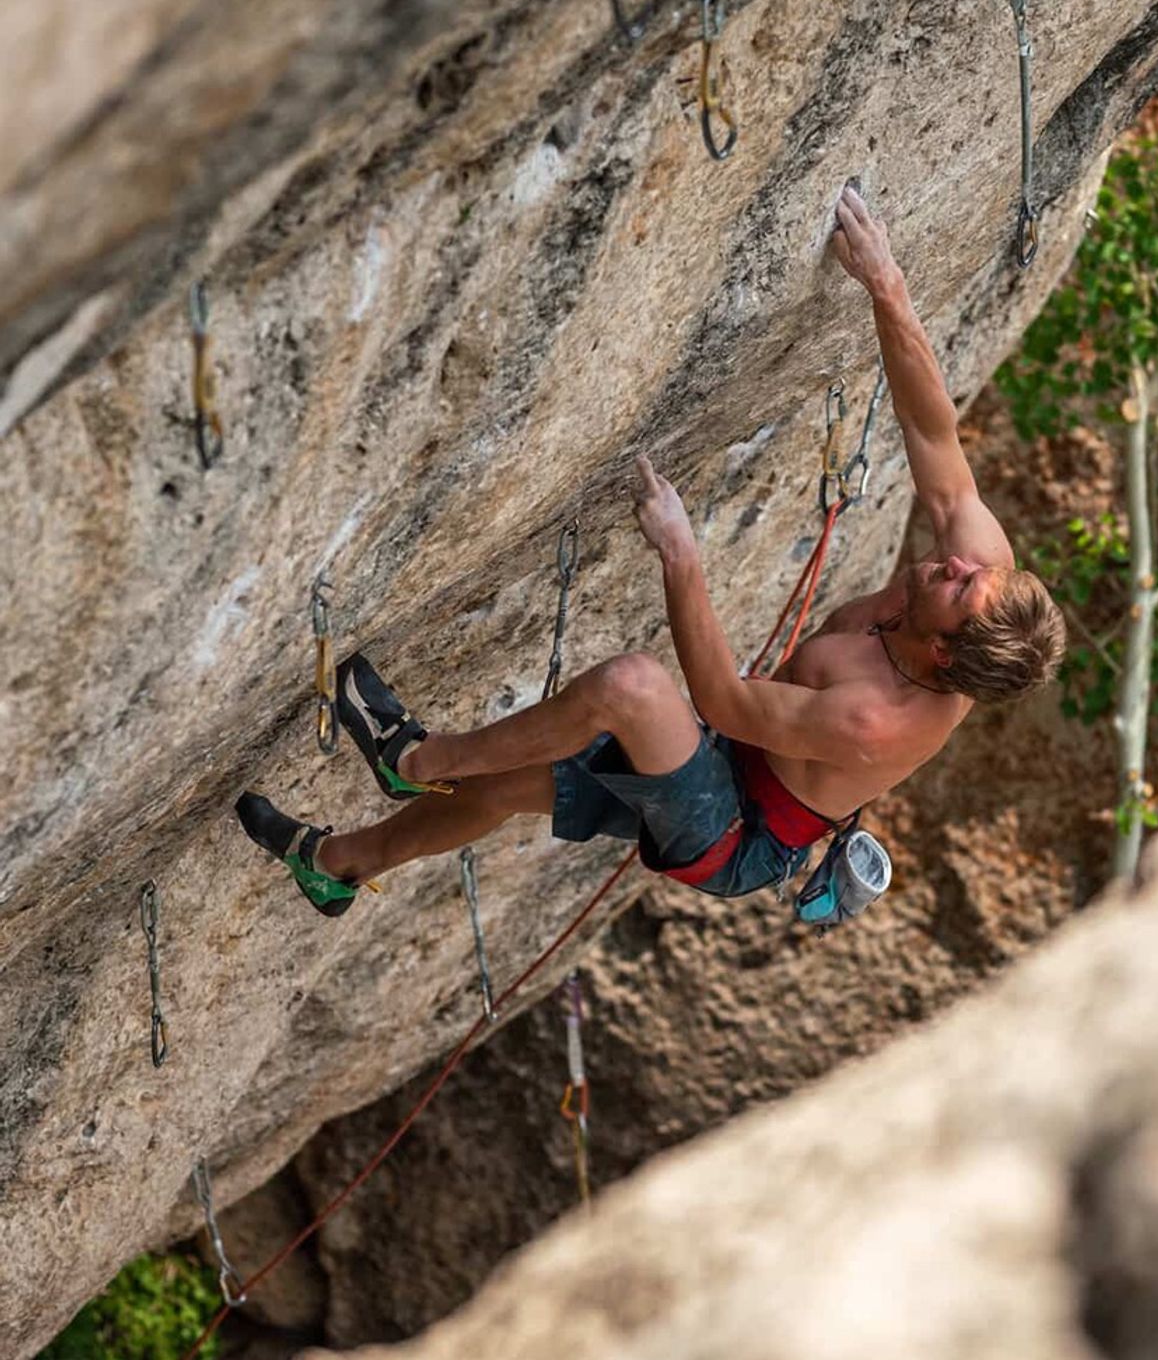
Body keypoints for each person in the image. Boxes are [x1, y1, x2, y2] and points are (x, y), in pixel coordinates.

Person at [235, 187, 1066, 917]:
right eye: (973, 569)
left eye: (959, 587)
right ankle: (336, 867)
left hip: (734, 829)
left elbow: (722, 700)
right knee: (504, 785)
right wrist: (887, 286)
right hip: (737, 756)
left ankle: (413, 759)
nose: (955, 562)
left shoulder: (873, 720)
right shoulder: (980, 581)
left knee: (630, 688)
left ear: (940, 650)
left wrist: (681, 554)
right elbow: (934, 437)